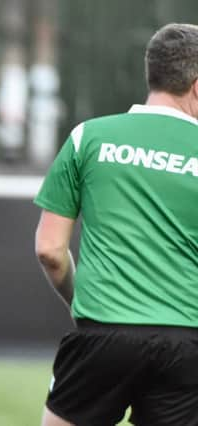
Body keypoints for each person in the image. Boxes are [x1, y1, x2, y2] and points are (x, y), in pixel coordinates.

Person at [34, 23, 198, 426]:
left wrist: (83, 305)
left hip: (102, 330)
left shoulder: (88, 137)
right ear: (197, 85)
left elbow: (50, 251)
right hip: (188, 342)